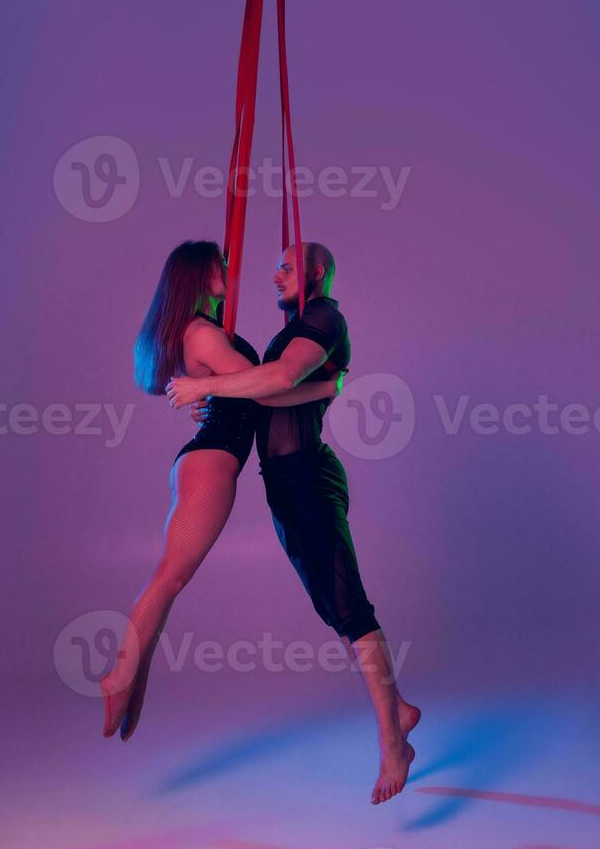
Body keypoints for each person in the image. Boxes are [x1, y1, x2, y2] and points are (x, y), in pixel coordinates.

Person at [167, 242, 420, 804]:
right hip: (283, 480)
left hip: (306, 474)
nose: (272, 274)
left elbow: (278, 379)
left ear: (317, 273)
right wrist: (222, 397)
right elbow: (273, 391)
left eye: (286, 266)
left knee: (350, 606)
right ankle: (397, 705)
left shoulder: (325, 316)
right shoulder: (298, 326)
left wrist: (205, 385)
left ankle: (393, 741)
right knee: (332, 606)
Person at [100, 240, 343, 741]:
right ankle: (118, 675)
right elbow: (266, 386)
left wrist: (212, 390)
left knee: (172, 583)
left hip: (206, 458)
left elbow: (240, 389)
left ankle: (135, 677)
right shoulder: (203, 334)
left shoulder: (201, 332)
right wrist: (323, 388)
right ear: (196, 276)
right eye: (220, 265)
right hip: (211, 462)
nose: (228, 271)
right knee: (169, 578)